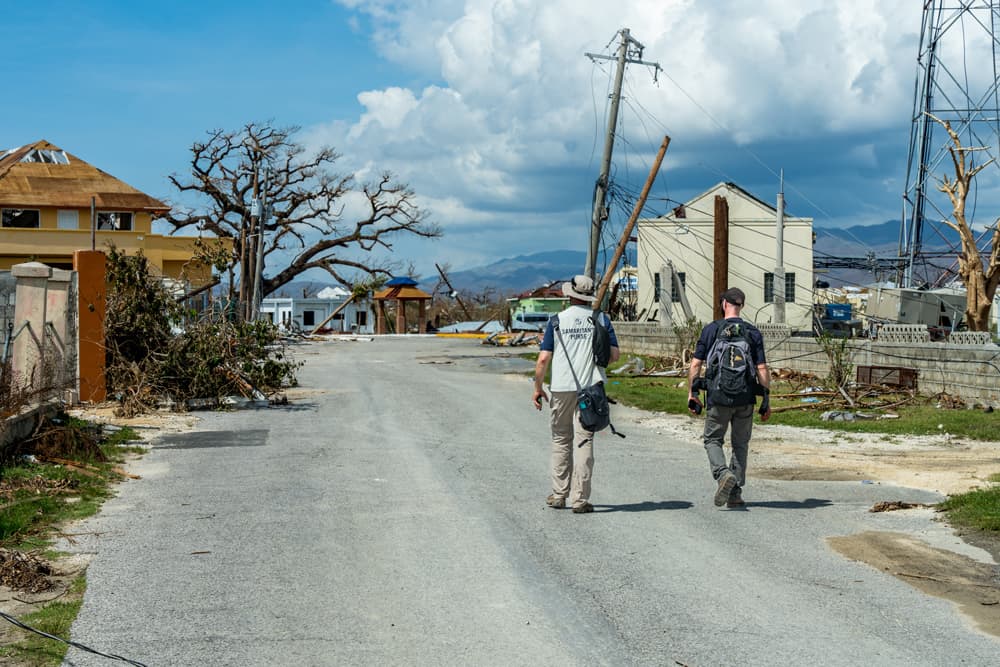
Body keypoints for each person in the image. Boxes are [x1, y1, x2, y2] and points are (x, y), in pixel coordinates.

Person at [532, 275, 620, 514]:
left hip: (561, 388)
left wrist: (538, 387)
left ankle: (559, 494)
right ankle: (580, 499)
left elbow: (543, 359)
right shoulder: (601, 319)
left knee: (561, 439)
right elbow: (614, 356)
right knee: (584, 440)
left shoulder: (557, 321)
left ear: (569, 295)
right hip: (591, 388)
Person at [687, 287, 771, 508]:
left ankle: (723, 474)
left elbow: (696, 364)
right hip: (745, 398)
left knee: (712, 439)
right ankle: (735, 494)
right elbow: (761, 368)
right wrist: (766, 400)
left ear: (724, 304)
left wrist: (692, 393)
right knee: (740, 443)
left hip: (718, 396)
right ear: (740, 306)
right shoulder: (752, 333)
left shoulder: (711, 330)